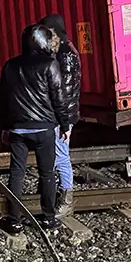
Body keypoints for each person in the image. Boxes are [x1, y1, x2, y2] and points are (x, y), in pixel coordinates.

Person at [0, 24, 69, 233]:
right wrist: (65, 125)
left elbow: (2, 99)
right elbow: (59, 98)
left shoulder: (10, 65)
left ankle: (14, 221)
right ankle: (48, 218)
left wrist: (5, 125)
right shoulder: (50, 65)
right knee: (47, 174)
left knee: (16, 174)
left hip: (17, 129)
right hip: (44, 129)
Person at [39, 13, 81, 217]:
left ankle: (66, 200)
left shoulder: (63, 54)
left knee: (61, 156)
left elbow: (61, 91)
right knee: (58, 155)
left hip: (60, 115)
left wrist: (62, 119)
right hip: (61, 114)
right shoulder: (66, 51)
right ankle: (61, 196)